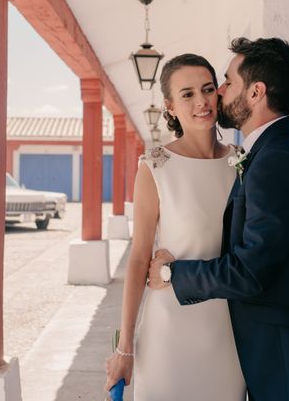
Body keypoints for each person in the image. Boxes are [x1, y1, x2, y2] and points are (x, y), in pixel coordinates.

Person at [148, 37, 289, 400]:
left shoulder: (275, 160)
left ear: (256, 92)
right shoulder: (273, 152)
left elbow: (249, 271)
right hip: (285, 347)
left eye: (228, 82)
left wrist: (172, 273)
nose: (220, 92)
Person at [104, 54, 246, 400]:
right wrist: (125, 348)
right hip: (169, 331)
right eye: (187, 94)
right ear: (169, 106)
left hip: (231, 334)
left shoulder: (241, 162)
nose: (201, 101)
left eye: (208, 89)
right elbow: (139, 259)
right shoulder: (155, 167)